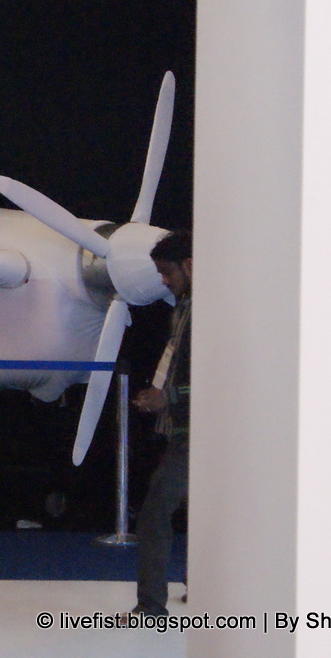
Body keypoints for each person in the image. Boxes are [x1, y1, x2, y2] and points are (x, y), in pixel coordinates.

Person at [128, 228, 191, 619]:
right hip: (186, 428)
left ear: (190, 266)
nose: (164, 281)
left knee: (154, 514)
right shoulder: (185, 308)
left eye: (167, 272)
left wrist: (166, 397)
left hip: (195, 432)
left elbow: (220, 377)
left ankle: (150, 606)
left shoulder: (200, 311)